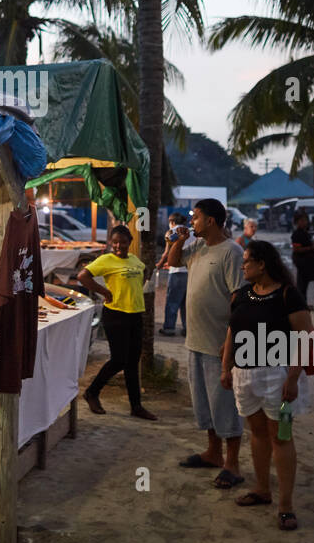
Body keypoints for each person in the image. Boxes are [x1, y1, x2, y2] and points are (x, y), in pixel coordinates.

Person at [221, 240, 314, 531]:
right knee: (259, 434)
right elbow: (231, 332)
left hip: (280, 378)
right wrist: (226, 368)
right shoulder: (240, 295)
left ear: (262, 264)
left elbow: (306, 336)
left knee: (282, 437)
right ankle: (263, 490)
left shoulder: (289, 295)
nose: (242, 266)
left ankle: (286, 506)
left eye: (247, 261)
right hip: (245, 377)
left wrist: (292, 377)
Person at [167, 198, 244, 487]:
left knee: (226, 404)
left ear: (210, 221)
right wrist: (179, 239)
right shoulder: (198, 246)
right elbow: (173, 262)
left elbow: (239, 299)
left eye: (195, 217)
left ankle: (233, 464)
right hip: (195, 340)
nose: (191, 222)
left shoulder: (232, 252)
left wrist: (232, 341)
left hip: (218, 344)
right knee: (205, 404)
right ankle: (213, 452)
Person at [79, 224, 158, 420]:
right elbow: (83, 276)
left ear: (130, 242)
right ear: (110, 243)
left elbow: (144, 271)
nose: (118, 246)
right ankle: (92, 392)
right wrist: (104, 292)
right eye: (114, 242)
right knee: (119, 360)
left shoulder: (134, 260)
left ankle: (136, 406)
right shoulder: (106, 260)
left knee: (132, 362)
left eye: (123, 242)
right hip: (115, 315)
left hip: (135, 315)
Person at [157, 210, 188, 336]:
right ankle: (187, 328)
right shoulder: (190, 231)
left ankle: (169, 328)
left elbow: (166, 253)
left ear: (172, 222)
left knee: (172, 301)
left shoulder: (172, 232)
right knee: (186, 302)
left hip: (177, 272)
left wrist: (159, 265)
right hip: (190, 271)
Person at [290, 211, 314, 307]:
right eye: (302, 220)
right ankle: (301, 305)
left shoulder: (305, 232)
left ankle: (303, 303)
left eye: (305, 220)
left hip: (307, 261)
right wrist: (311, 248)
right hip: (301, 261)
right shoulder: (297, 234)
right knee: (301, 284)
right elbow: (297, 249)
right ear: (297, 222)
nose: (304, 222)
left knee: (304, 284)